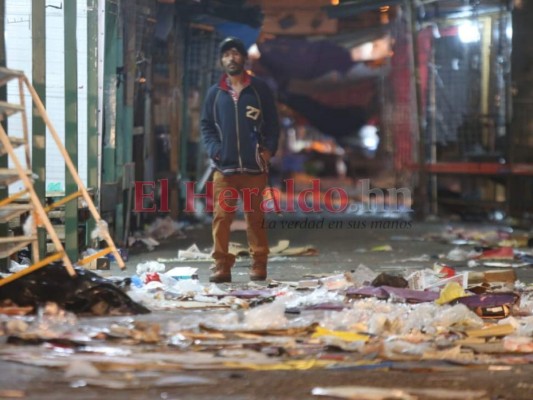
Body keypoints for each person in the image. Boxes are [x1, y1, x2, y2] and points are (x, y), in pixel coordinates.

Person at [200, 37, 280, 283]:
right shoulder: (215, 94)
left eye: (235, 53)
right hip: (224, 169)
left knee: (255, 218)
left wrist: (267, 151)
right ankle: (222, 266)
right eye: (226, 55)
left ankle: (259, 264)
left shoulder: (259, 89)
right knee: (222, 217)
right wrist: (215, 150)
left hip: (254, 169)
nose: (231, 58)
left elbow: (273, 124)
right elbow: (206, 126)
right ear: (221, 61)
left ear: (244, 59)